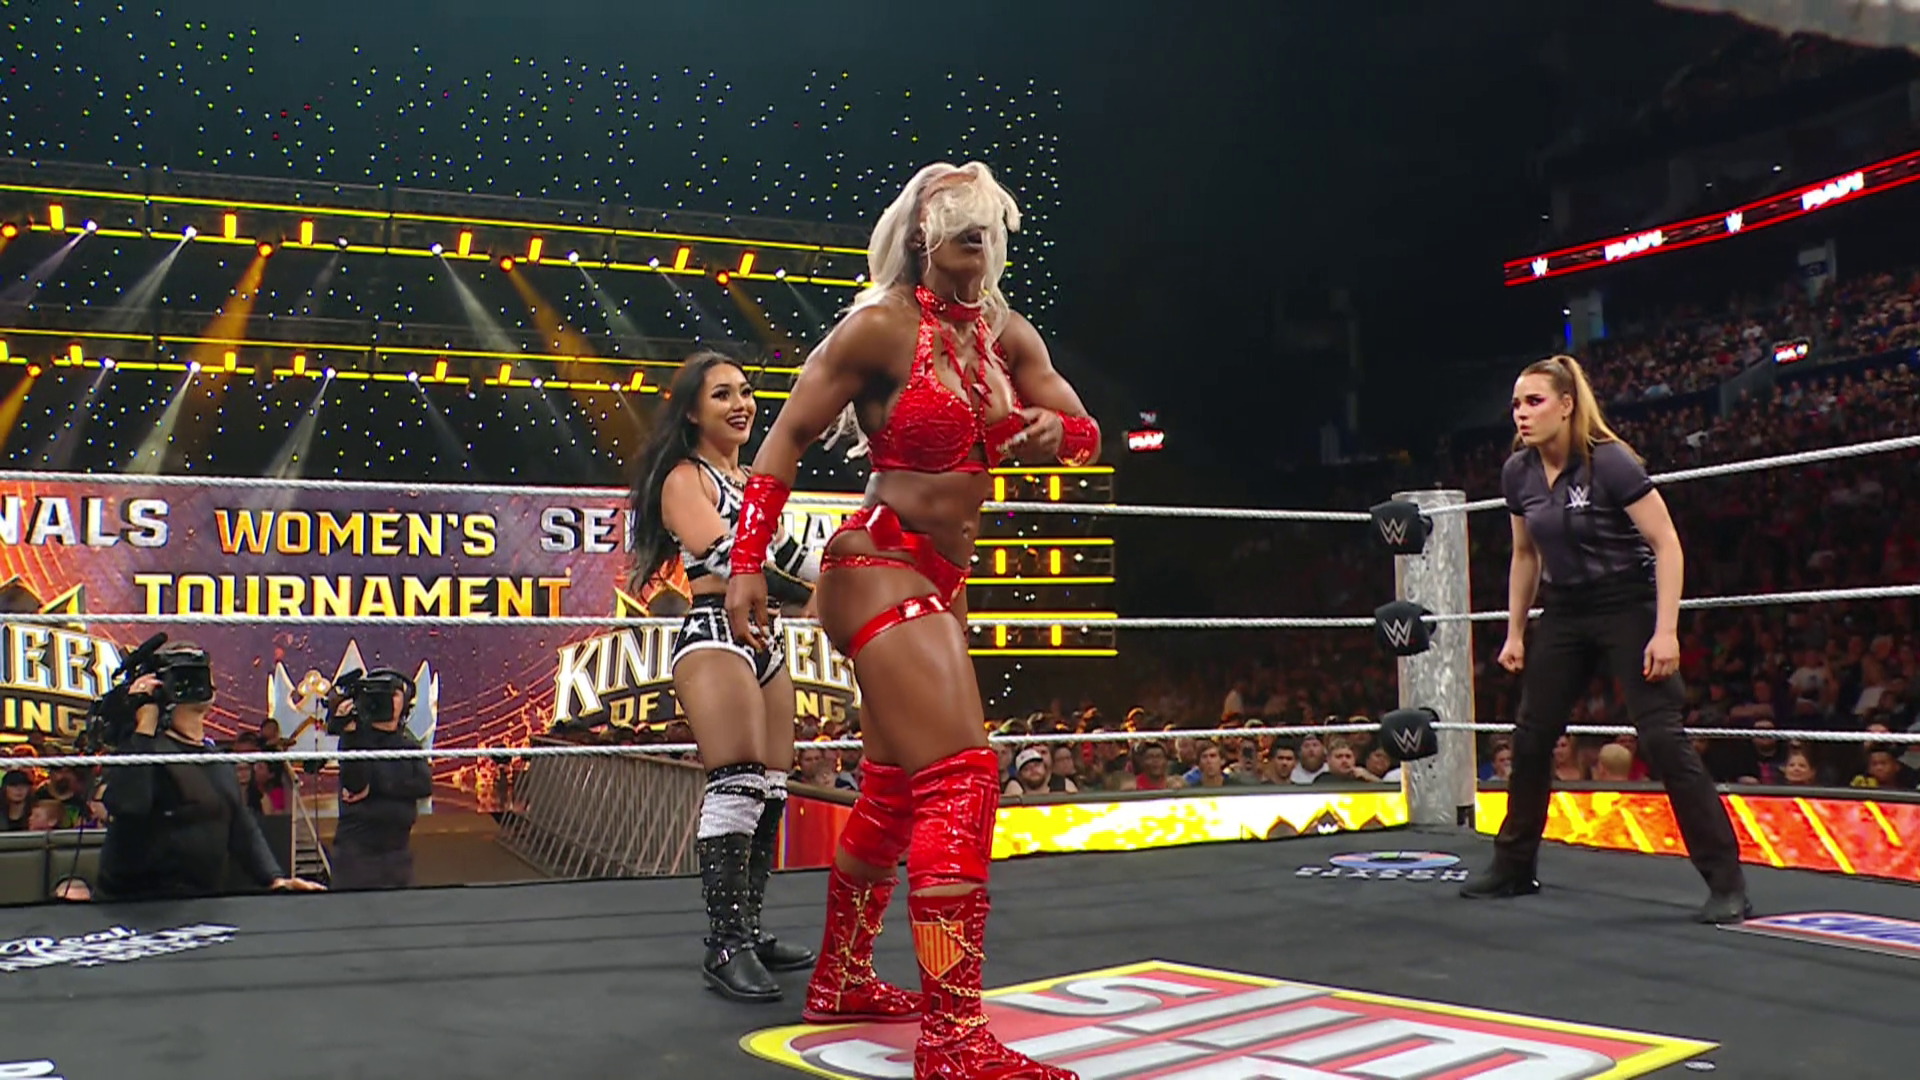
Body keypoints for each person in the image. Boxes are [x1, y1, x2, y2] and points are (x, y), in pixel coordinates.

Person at [727, 161, 1096, 1079]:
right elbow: (785, 437)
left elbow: (1084, 430)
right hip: (877, 563)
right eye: (958, 223)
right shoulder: (881, 325)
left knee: (895, 791)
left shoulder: (1006, 332)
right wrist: (745, 565)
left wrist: (1055, 433)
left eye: (987, 226)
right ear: (923, 233)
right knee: (962, 776)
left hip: (940, 578)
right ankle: (955, 1035)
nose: (977, 239)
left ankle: (842, 980)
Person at [1461, 354, 1750, 924]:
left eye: (1535, 401)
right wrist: (1515, 631)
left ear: (1567, 405)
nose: (1521, 414)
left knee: (1662, 738)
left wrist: (1665, 631)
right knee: (1532, 736)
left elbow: (1666, 543)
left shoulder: (1610, 461)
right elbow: (1525, 554)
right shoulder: (1518, 472)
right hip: (1565, 607)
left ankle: (1728, 883)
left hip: (1626, 600)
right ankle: (1513, 865)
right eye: (1516, 404)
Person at [629, 351, 822, 1003]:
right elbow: (726, 559)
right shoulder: (685, 478)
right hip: (716, 633)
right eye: (721, 395)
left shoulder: (752, 482)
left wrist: (867, 565)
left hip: (766, 641)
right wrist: (819, 594)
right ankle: (724, 944)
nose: (741, 404)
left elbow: (796, 556)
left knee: (771, 788)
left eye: (745, 391)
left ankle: (750, 929)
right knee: (736, 783)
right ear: (691, 410)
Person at [97, 643, 324, 900]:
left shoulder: (216, 760)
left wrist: (275, 879)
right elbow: (127, 804)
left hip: (199, 905)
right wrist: (145, 720)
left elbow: (241, 827)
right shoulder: (144, 748)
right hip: (139, 907)